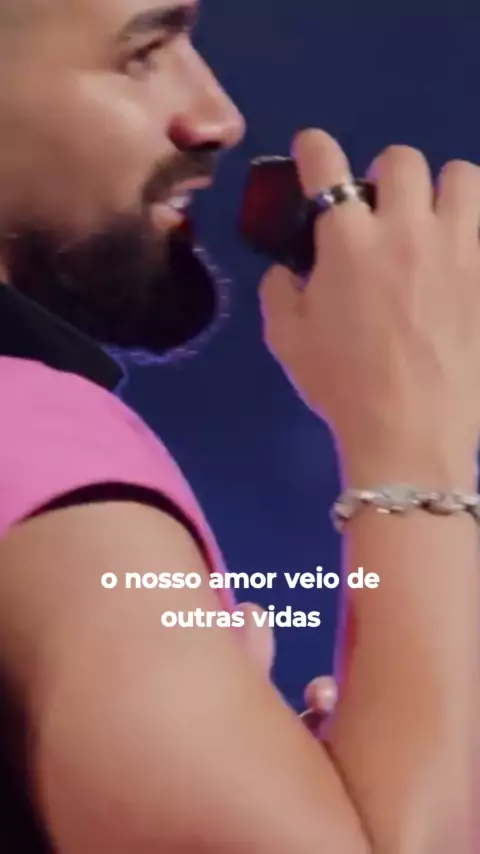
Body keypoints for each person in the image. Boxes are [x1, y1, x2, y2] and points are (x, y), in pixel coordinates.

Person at [0, 1, 478, 852]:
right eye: (143, 53)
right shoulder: (30, 435)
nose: (218, 115)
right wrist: (414, 439)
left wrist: (252, 766)